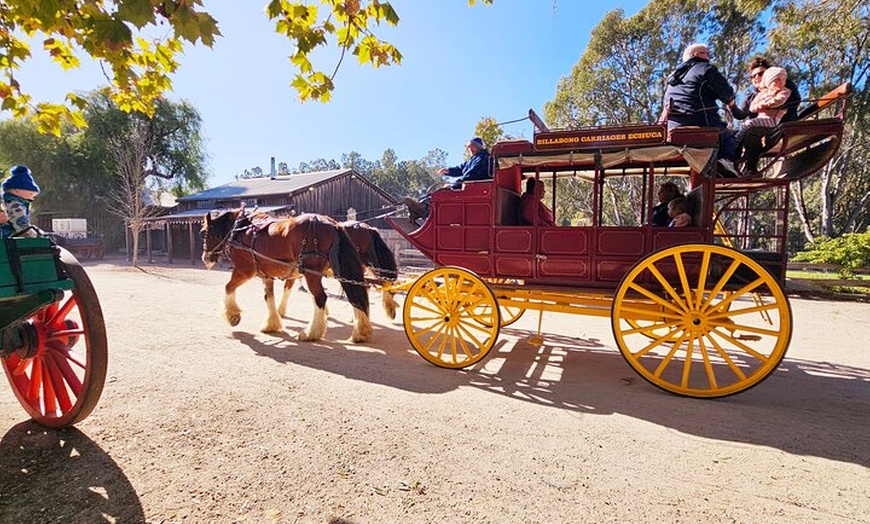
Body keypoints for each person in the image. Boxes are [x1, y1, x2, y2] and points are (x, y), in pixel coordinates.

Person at [663, 43, 738, 172]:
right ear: (696, 55)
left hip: (673, 127)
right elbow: (726, 93)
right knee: (729, 138)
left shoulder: (673, 78)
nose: (709, 57)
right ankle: (726, 166)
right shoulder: (705, 68)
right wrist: (734, 106)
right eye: (706, 54)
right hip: (700, 122)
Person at [405, 136, 492, 224]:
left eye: (471, 147)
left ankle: (423, 209)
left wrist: (455, 184)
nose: (469, 149)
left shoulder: (482, 158)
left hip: (475, 190)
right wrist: (448, 171)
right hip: (471, 188)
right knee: (441, 191)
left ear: (476, 147)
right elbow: (461, 169)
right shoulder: (474, 158)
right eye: (468, 147)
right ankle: (419, 209)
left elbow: (471, 174)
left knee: (443, 193)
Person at [731, 56, 801, 124]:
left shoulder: (783, 84)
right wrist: (731, 104)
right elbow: (741, 115)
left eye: (760, 74)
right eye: (753, 76)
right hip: (762, 131)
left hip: (787, 126)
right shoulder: (750, 98)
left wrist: (769, 105)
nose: (756, 77)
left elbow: (795, 100)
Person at [1, 165, 41, 238]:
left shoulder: (8, 201)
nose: (32, 198)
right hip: (7, 239)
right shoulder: (14, 204)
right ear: (17, 190)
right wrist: (37, 236)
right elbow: (21, 225)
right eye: (31, 194)